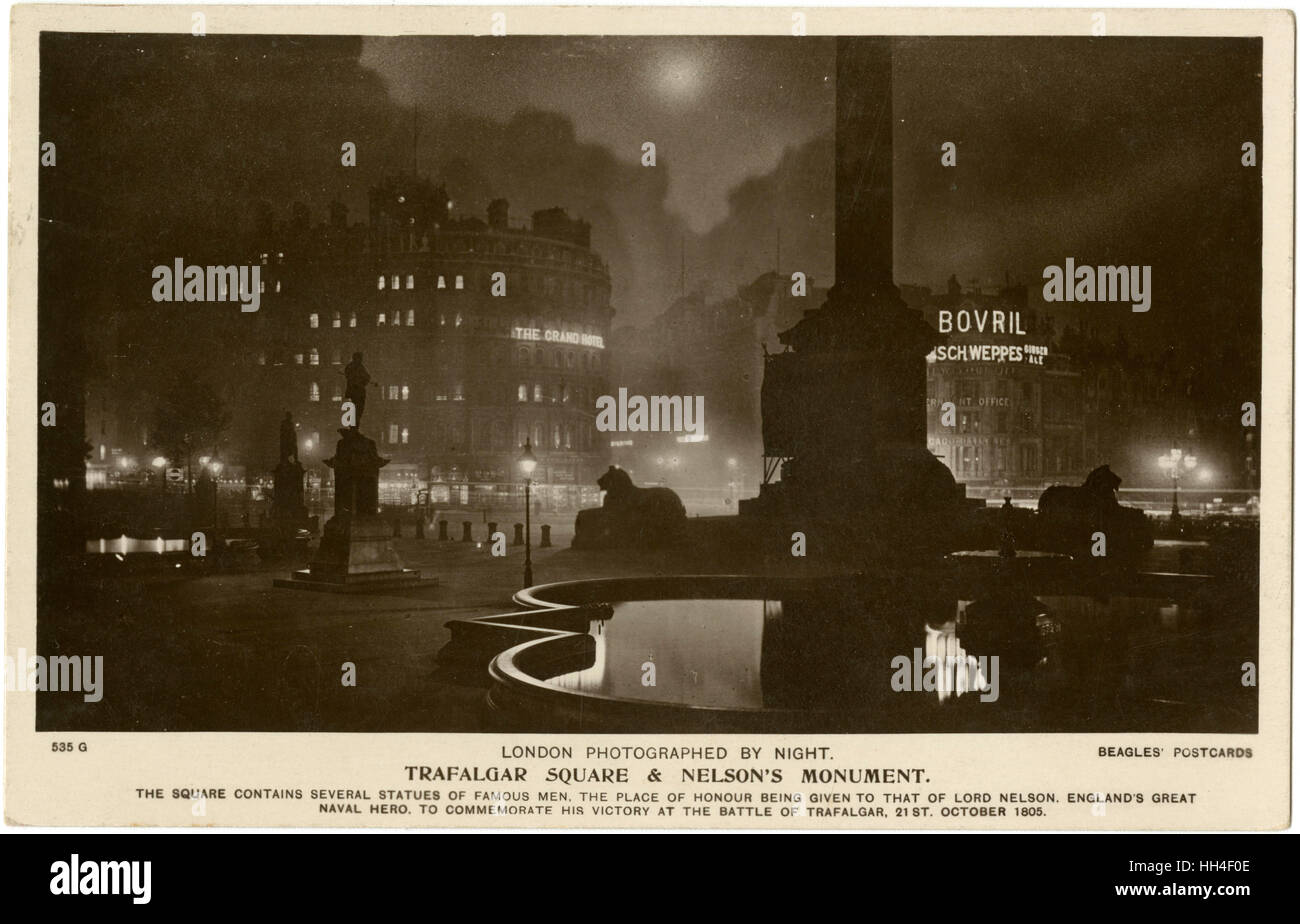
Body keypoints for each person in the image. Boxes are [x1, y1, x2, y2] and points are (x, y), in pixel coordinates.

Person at [343, 352, 373, 427]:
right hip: (357, 392)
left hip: (356, 391)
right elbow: (367, 377)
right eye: (360, 358)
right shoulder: (358, 367)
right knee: (358, 409)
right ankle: (354, 425)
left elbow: (367, 377)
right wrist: (361, 382)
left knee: (357, 409)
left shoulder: (352, 367)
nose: (361, 360)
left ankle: (354, 425)